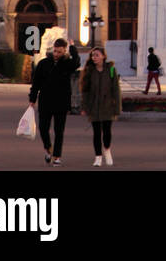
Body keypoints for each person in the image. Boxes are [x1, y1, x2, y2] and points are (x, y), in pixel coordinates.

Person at [28, 37, 80, 166]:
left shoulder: (67, 64)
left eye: (60, 52)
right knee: (43, 128)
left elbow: (77, 63)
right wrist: (32, 99)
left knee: (59, 131)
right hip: (45, 100)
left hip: (61, 102)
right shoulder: (43, 63)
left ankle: (57, 156)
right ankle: (48, 148)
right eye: (55, 51)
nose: (57, 54)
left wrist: (73, 48)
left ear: (64, 52)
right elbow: (36, 83)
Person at [80, 45, 122, 167]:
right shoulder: (89, 71)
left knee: (107, 131)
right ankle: (98, 157)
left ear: (103, 56)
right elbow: (85, 91)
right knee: (96, 133)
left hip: (108, 105)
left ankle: (107, 150)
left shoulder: (111, 70)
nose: (94, 57)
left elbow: (116, 89)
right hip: (94, 106)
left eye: (97, 55)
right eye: (93, 55)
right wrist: (84, 107)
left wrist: (117, 107)